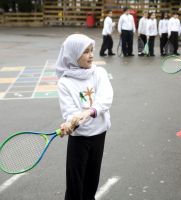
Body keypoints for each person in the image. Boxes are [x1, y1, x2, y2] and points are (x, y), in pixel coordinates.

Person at [56, 34, 114, 199]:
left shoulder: (99, 72)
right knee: (75, 186)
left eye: (91, 50)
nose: (91, 55)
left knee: (91, 183)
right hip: (79, 139)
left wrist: (88, 112)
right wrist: (70, 123)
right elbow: (69, 112)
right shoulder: (64, 82)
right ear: (73, 55)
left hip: (99, 135)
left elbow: (105, 98)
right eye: (85, 52)